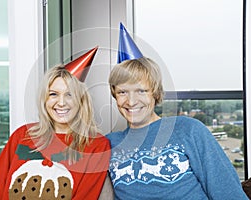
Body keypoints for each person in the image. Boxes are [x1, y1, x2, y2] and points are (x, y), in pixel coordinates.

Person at [105, 23, 248, 199]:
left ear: (155, 93)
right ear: (114, 96)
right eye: (122, 92)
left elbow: (228, 192)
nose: (131, 101)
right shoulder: (108, 145)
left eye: (141, 91)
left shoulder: (187, 130)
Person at [0, 48, 111, 200]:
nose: (61, 103)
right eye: (53, 94)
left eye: (70, 95)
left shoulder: (97, 146)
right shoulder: (22, 135)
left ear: (81, 100)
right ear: (45, 100)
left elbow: (86, 196)